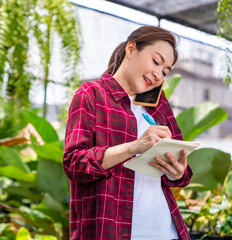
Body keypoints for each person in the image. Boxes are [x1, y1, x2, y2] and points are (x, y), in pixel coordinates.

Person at [63, 25, 192, 240]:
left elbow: (182, 172)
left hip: (164, 229)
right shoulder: (92, 94)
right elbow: (74, 164)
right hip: (111, 230)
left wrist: (177, 171)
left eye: (165, 71)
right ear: (131, 49)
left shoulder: (159, 105)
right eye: (156, 61)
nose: (158, 74)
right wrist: (134, 147)